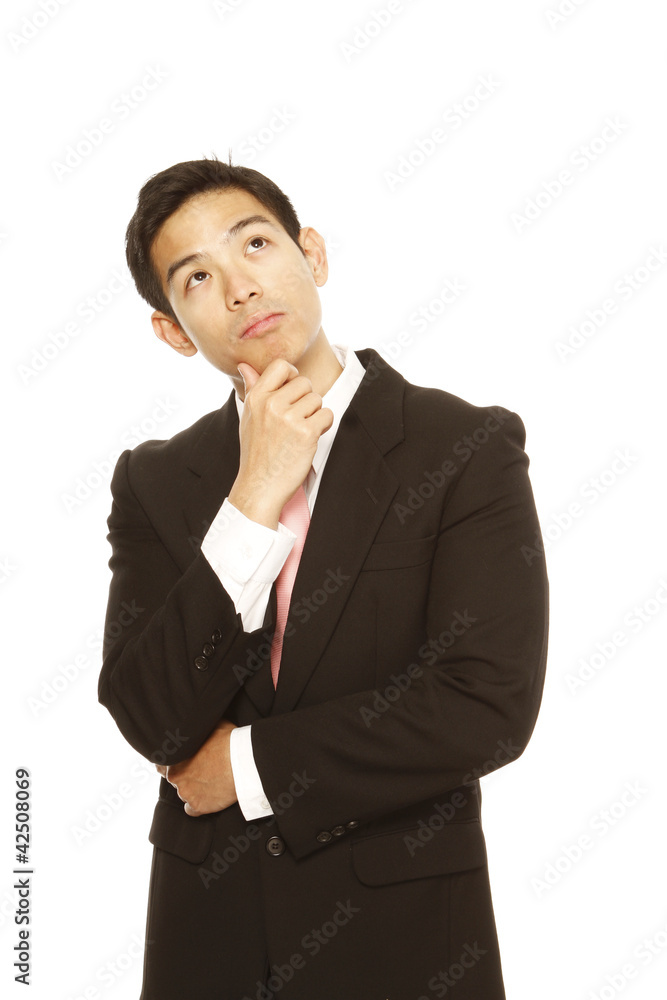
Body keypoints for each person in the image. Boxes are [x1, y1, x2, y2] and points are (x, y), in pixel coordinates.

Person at [98, 154, 549, 1000]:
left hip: (403, 941)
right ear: (172, 330)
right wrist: (252, 497)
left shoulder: (464, 448)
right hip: (210, 940)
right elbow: (150, 714)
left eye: (255, 245)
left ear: (311, 254)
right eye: (197, 277)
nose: (239, 288)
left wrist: (248, 767)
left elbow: (484, 705)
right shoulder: (154, 480)